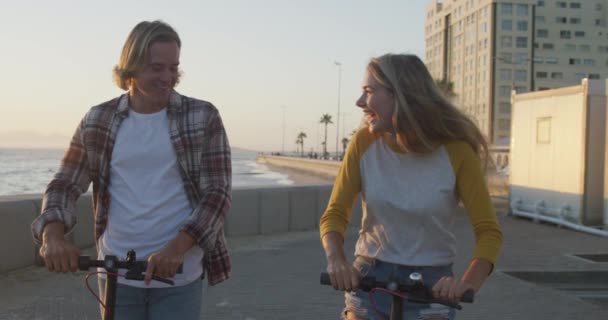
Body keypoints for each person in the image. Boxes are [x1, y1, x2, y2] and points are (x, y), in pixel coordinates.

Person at [31, 20, 232, 319]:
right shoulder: (99, 119)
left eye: (173, 67)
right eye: (156, 68)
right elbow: (65, 182)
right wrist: (53, 237)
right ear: (131, 68)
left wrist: (177, 248)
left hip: (179, 275)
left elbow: (217, 194)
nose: (168, 77)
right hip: (116, 275)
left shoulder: (203, 116)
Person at [319, 53, 503, 320]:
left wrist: (466, 284)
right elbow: (334, 214)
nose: (360, 102)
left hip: (432, 287)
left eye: (369, 91)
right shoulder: (363, 143)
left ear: (400, 95)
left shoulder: (457, 151)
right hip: (369, 280)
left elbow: (489, 232)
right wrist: (336, 260)